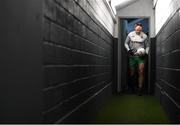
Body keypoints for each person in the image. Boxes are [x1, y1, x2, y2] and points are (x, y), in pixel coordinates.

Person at [124, 23, 149, 96]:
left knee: (141, 71)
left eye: (140, 30)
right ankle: (132, 87)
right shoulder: (130, 34)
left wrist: (146, 53)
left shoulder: (144, 36)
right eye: (137, 29)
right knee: (132, 72)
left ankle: (140, 89)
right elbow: (125, 43)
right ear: (135, 28)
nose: (138, 31)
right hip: (132, 56)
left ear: (141, 29)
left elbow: (147, 46)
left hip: (141, 57)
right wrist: (128, 50)